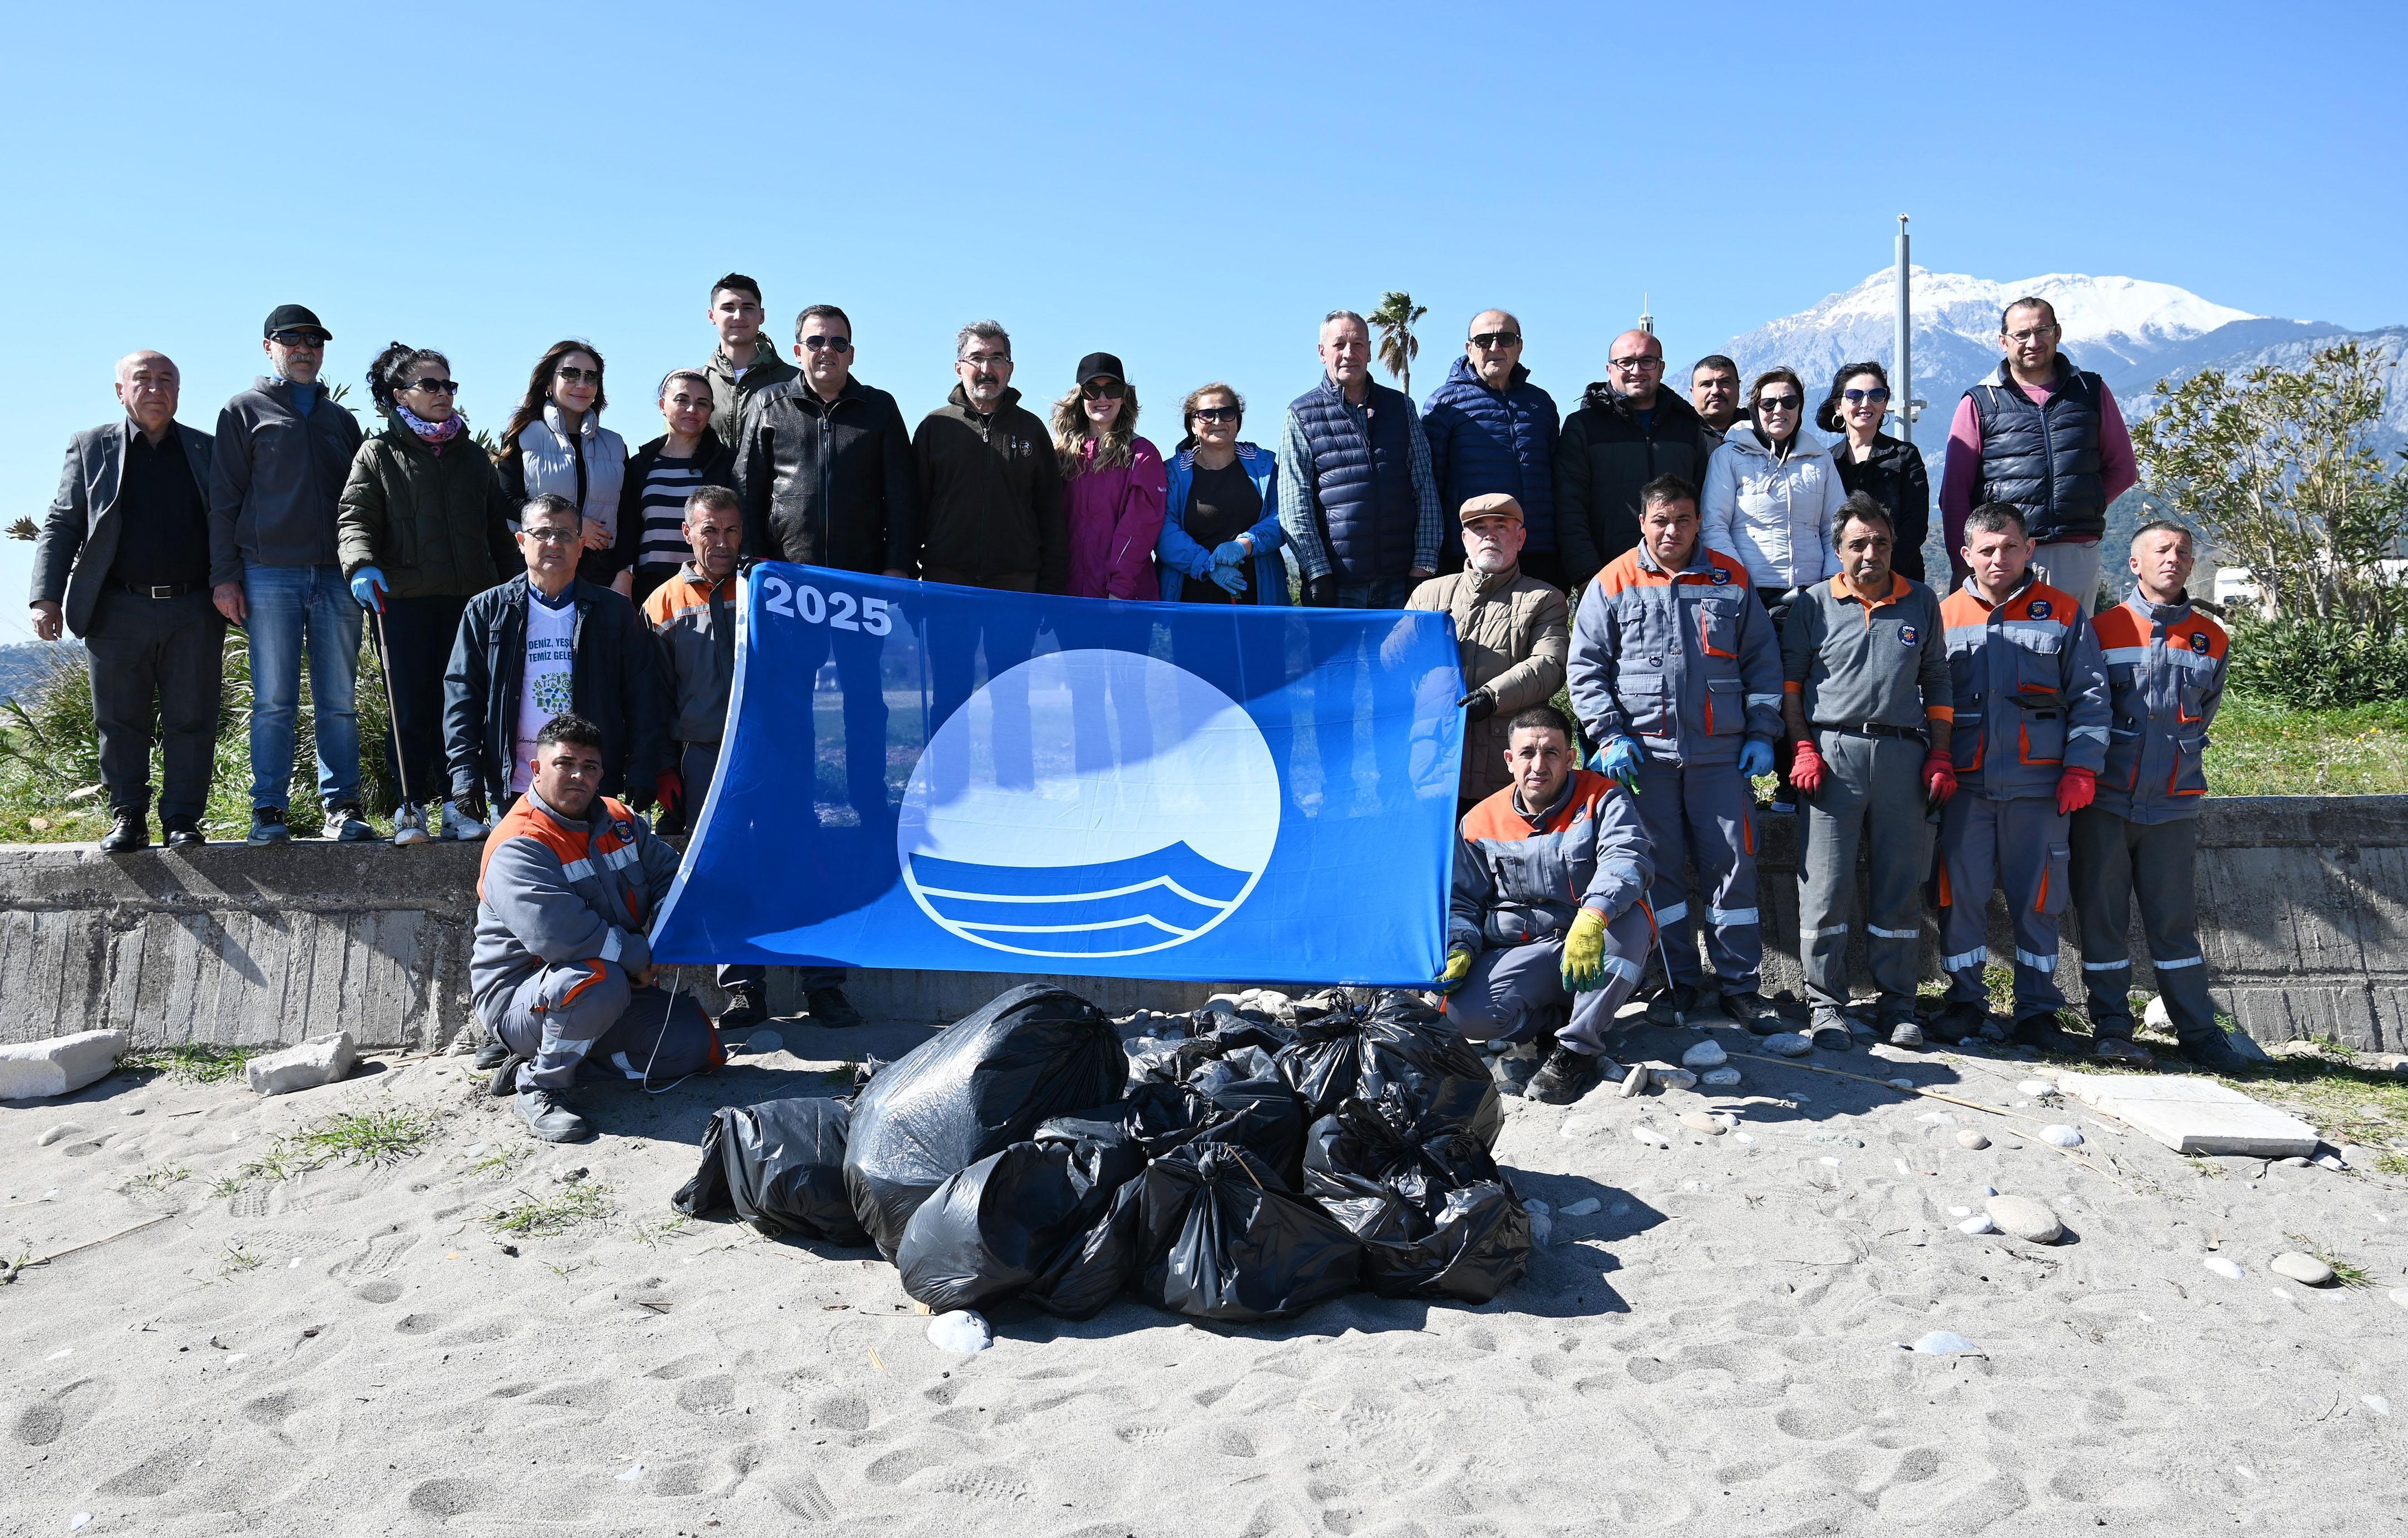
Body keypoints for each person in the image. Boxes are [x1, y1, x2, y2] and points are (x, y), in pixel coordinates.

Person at [1567, 475, 1785, 1033]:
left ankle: (1740, 986)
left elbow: (1761, 661)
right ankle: (1674, 983)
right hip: (1643, 761)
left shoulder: (1728, 578)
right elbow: (1585, 667)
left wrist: (1762, 732)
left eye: (1682, 519)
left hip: (1719, 757)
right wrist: (1607, 733)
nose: (1671, 530)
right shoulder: (1612, 581)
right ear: (1641, 522)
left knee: (1733, 870)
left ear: (1696, 523)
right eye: (1659, 520)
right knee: (1655, 872)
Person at [472, 712, 719, 1143]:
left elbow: (671, 878)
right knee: (596, 981)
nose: (577, 776)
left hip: (612, 985)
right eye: (564, 764)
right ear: (536, 769)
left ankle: (551, 1063)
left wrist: (662, 930)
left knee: (696, 1046)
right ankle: (541, 1089)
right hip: (524, 999)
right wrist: (641, 956)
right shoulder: (518, 843)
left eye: (589, 767)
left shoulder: (620, 819)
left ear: (602, 774)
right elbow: (562, 937)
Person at [1929, 502, 2111, 1048]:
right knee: (1958, 896)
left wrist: (2081, 767)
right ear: (1965, 555)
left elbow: (2091, 698)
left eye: (2009, 546)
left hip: (2039, 791)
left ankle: (2035, 1010)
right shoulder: (1942, 616)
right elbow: (1926, 701)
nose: (1998, 558)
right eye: (1985, 549)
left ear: (2028, 548)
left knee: (2038, 901)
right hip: (1965, 788)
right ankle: (1964, 1002)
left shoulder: (2061, 613)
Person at [2070, 522, 2251, 1069]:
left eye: (2182, 552)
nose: (2173, 559)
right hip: (2104, 802)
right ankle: (2111, 1028)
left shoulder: (2210, 637)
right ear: (2134, 563)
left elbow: (2202, 715)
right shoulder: (2099, 630)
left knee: (2173, 924)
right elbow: (2082, 709)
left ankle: (2197, 1033)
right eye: (2161, 550)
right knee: (2100, 920)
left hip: (2171, 805)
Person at [1781, 495, 1953, 1049]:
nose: (1870, 552)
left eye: (1879, 541)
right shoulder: (1811, 604)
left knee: (1899, 886)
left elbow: (1937, 681)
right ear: (1837, 551)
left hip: (1903, 757)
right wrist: (1802, 748)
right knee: (1825, 887)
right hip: (1832, 757)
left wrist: (1940, 752)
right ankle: (1825, 1004)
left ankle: (1897, 1003)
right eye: (1857, 543)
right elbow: (1789, 688)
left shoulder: (1921, 601)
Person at [31, 352, 221, 852]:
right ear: (121, 391)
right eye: (143, 379)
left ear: (179, 391)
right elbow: (62, 524)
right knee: (118, 721)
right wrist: (46, 597)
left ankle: (183, 819)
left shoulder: (207, 450)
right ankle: (128, 817)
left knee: (193, 719)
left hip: (194, 609)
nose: (155, 388)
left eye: (166, 380)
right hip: (116, 609)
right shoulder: (90, 446)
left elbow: (232, 524)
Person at [337, 342, 520, 846]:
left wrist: (515, 587)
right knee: (411, 706)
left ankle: (459, 806)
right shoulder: (378, 454)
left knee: (460, 706)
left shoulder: (473, 459)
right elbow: (355, 519)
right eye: (431, 385)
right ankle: (409, 807)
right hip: (403, 601)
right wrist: (360, 564)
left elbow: (497, 532)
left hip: (468, 603)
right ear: (401, 395)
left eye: (449, 385)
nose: (444, 394)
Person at [208, 304, 369, 846]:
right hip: (266, 573)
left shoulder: (341, 421)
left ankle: (342, 806)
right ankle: (269, 809)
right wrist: (225, 576)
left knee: (339, 699)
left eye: (315, 342)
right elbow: (223, 500)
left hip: (335, 577)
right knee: (273, 698)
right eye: (291, 339)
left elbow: (361, 502)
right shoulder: (242, 411)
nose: (305, 349)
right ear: (268, 347)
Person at [1440, 703, 1656, 1106]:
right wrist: (1460, 948)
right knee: (1462, 1015)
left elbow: (1627, 859)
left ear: (1571, 758)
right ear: (1509, 760)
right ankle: (1560, 1020)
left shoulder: (1605, 797)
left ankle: (1577, 1051)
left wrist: (1593, 917)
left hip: (1595, 936)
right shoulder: (1478, 821)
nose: (1538, 765)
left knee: (1631, 925)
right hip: (1528, 948)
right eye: (1527, 753)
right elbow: (1462, 902)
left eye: (1552, 752)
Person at [640, 486, 784, 1033]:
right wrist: (662, 768)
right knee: (722, 869)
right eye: (709, 530)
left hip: (774, 746)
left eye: (730, 530)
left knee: (790, 856)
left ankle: (825, 984)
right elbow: (652, 698)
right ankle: (743, 987)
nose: (720, 542)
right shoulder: (661, 603)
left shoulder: (767, 588)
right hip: (704, 753)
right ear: (687, 533)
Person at [444, 493, 665, 820]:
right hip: (515, 787)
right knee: (521, 871)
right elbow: (463, 695)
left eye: (565, 534)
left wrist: (643, 768)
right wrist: (465, 773)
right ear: (521, 541)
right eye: (542, 533)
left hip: (592, 785)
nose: (554, 543)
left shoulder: (615, 612)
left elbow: (644, 695)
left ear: (581, 544)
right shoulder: (487, 610)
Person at [1940, 297, 2139, 611]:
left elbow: (2124, 470)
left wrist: (2085, 502)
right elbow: (1955, 493)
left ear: (2057, 334)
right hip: (2002, 556)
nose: (2033, 342)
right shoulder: (1980, 402)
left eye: (2043, 331)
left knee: (2071, 655)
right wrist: (1962, 562)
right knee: (2003, 652)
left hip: (2073, 555)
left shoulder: (2090, 391)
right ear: (2003, 342)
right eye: (2022, 335)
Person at [1406, 494, 1570, 816]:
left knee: (1503, 856)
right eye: (1479, 528)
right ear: (1466, 540)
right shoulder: (1427, 594)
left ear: (1520, 538)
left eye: (1501, 527)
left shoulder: (1546, 599)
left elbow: (1549, 664)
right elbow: (1390, 663)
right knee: (1439, 860)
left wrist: (1492, 697)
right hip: (1432, 755)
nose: (1489, 535)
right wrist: (1414, 636)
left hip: (1503, 762)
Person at [735, 304, 919, 578]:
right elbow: (746, 490)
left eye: (839, 343)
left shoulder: (881, 408)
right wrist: (755, 562)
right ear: (798, 352)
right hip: (785, 577)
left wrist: (898, 566)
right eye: (816, 341)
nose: (827, 350)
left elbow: (902, 496)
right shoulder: (768, 404)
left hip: (864, 577)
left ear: (851, 355)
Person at [1276, 309, 1443, 607]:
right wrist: (1318, 573)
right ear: (1322, 352)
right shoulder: (1301, 414)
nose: (1348, 353)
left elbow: (1425, 489)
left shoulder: (1402, 408)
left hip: (1401, 582)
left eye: (1358, 344)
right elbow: (1294, 503)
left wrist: (1424, 564)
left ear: (1369, 353)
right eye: (1339, 344)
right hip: (1336, 587)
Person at [1554, 330, 1717, 590]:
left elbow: (1703, 504)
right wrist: (1586, 574)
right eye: (1626, 362)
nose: (1636, 370)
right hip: (1608, 576)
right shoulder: (1583, 427)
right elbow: (1569, 506)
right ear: (1609, 369)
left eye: (1647, 361)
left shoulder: (1687, 428)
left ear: (1661, 368)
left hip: (1681, 575)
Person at [911, 320, 1067, 591]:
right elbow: (912, 508)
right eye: (976, 359)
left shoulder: (1032, 430)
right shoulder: (935, 427)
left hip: (1016, 586)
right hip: (945, 583)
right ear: (959, 368)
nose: (986, 369)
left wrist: (1051, 586)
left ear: (1010, 369)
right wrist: (908, 575)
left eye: (996, 358)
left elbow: (1051, 514)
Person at [1420, 310, 1563, 586]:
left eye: (1506, 339)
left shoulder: (1542, 404)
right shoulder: (1443, 404)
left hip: (1538, 551)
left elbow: (1558, 481)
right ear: (1470, 349)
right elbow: (1429, 486)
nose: (1495, 348)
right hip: (1470, 554)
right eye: (1484, 340)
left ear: (1520, 346)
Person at [496, 340, 630, 593]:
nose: (582, 384)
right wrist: (574, 525)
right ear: (548, 383)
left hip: (600, 573)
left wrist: (625, 573)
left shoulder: (615, 444)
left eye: (591, 377)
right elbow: (505, 500)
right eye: (570, 374)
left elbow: (628, 515)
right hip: (537, 569)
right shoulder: (521, 436)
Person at [1701, 367, 1848, 598]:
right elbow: (1714, 526)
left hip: (1813, 592)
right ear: (1755, 409)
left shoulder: (1821, 459)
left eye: (1789, 402)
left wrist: (1831, 582)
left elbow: (1836, 528)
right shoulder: (1729, 456)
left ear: (1799, 407)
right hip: (1750, 593)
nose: (1779, 410)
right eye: (1768, 403)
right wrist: (1737, 581)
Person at [1156, 384, 1287, 604]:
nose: (1218, 422)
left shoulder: (1265, 467)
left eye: (1227, 413)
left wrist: (1244, 544)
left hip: (1260, 602)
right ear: (1193, 424)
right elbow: (1163, 530)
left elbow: (1282, 516)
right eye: (1207, 415)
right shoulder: (1171, 474)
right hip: (1191, 604)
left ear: (1237, 421)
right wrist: (1207, 565)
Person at [1051, 352, 1166, 600]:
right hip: (1068, 597)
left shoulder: (1143, 455)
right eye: (1092, 389)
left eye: (1112, 389)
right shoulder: (1061, 456)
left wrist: (1120, 587)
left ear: (1124, 397)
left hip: (1123, 600)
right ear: (1080, 396)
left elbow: (1141, 527)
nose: (1102, 398)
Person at [619, 369, 734, 607]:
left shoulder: (726, 464)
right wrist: (624, 574)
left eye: (702, 403)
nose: (692, 409)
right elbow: (628, 526)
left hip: (708, 586)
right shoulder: (640, 465)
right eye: (682, 400)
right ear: (663, 405)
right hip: (649, 587)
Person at [1818, 361, 1930, 581]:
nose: (1866, 403)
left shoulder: (1905, 456)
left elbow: (1915, 526)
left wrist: (1881, 571)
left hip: (1899, 578)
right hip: (1841, 581)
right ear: (1838, 406)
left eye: (1876, 395)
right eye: (1855, 395)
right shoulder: (1825, 461)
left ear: (1886, 403)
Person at [700, 273, 797, 445]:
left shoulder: (794, 382)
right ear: (711, 316)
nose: (739, 316)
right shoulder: (695, 385)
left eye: (748, 308)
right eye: (728, 308)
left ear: (762, 316)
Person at [1690, 354, 1744, 441]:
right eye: (1706, 384)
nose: (1716, 391)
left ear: (1738, 387)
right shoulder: (1677, 434)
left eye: (1724, 382)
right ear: (1693, 392)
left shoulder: (1761, 430)